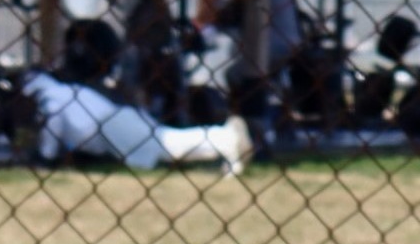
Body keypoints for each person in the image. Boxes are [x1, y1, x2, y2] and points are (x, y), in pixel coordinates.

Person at [23, 67, 255, 173]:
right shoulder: (65, 89)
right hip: (120, 120)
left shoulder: (49, 101)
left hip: (114, 129)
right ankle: (222, 137)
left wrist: (45, 157)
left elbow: (52, 128)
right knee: (169, 141)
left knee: (170, 146)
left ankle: (225, 138)